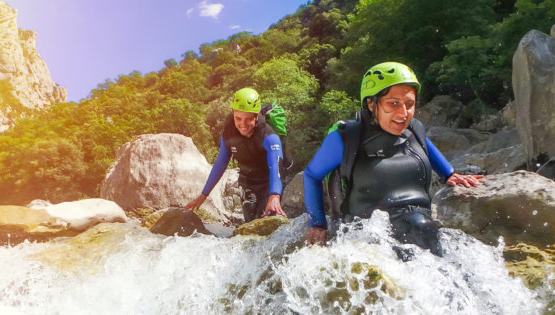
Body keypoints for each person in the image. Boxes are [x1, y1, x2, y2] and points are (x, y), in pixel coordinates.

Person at [302, 62, 482, 256]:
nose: (403, 114)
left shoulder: (415, 130)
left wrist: (449, 174)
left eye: (410, 104)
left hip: (419, 226)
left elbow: (427, 148)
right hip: (365, 239)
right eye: (393, 103)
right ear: (371, 103)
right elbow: (312, 176)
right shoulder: (345, 138)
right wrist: (318, 224)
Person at [185, 87, 288, 222]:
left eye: (248, 119)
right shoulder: (229, 134)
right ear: (233, 113)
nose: (242, 124)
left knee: (269, 222)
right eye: (238, 118)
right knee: (250, 224)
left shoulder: (268, 136)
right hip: (248, 182)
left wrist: (275, 195)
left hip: (270, 181)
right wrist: (203, 195)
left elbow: (276, 167)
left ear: (256, 116)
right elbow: (220, 164)